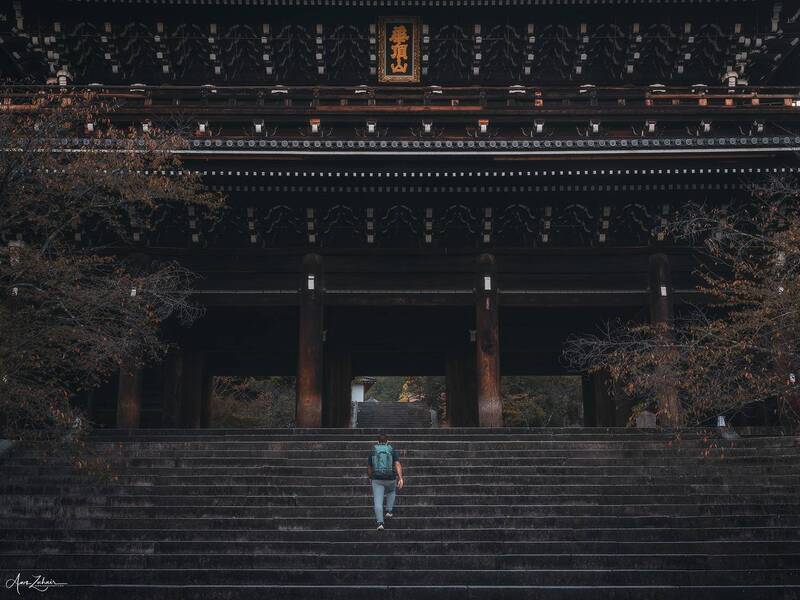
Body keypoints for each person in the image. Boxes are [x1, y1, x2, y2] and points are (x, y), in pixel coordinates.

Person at [367, 433, 404, 531]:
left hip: (377, 479)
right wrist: (400, 478)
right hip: (390, 478)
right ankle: (389, 510)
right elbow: (397, 463)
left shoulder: (373, 450)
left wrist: (370, 477)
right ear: (387, 441)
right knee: (391, 491)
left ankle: (380, 523)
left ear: (377, 441)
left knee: (378, 502)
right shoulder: (391, 449)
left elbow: (370, 466)